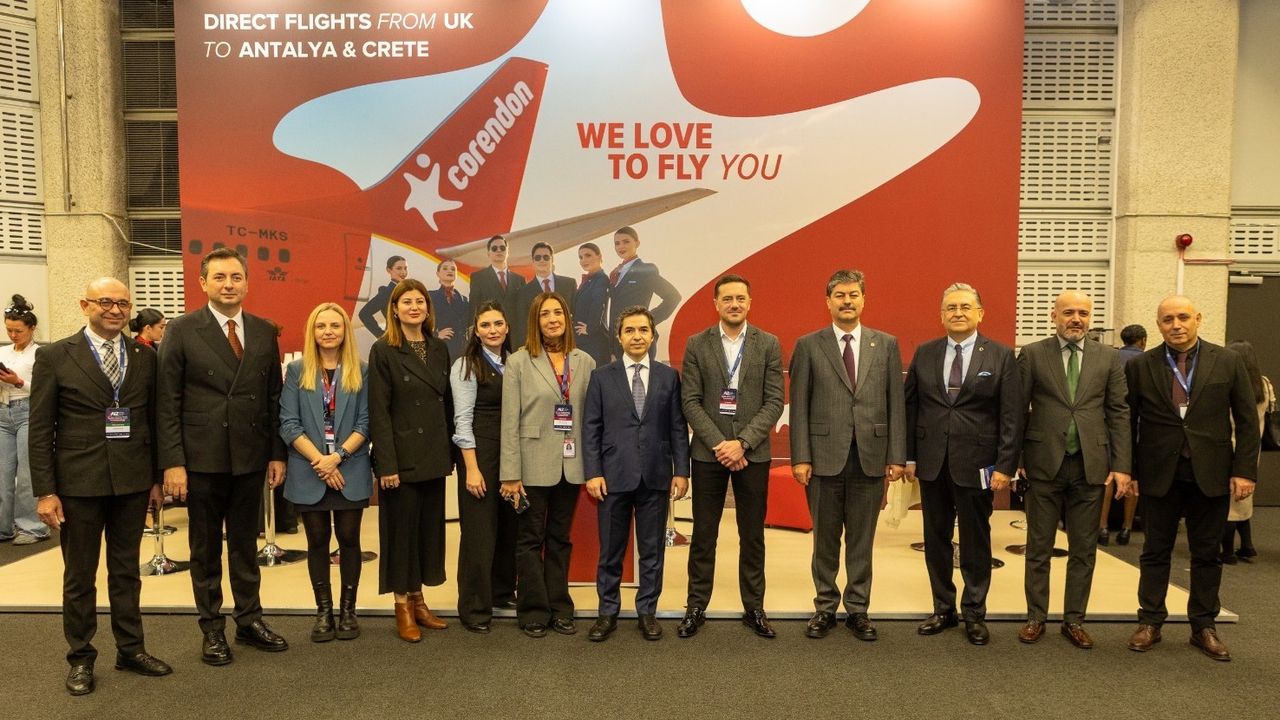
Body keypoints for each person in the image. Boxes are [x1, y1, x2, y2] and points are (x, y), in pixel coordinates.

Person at [28, 279, 171, 696]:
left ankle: (131, 649)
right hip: (78, 484)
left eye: (123, 303)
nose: (115, 310)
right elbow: (40, 429)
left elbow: (154, 421)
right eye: (105, 301)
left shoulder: (145, 356)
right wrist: (45, 491)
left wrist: (156, 479)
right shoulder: (55, 355)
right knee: (80, 576)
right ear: (84, 304)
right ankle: (81, 657)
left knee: (126, 572)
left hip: (132, 481)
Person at [158, 247, 289, 665]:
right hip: (201, 459)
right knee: (206, 548)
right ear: (203, 283)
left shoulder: (264, 330)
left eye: (235, 277)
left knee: (246, 547)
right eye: (219, 277)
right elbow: (167, 401)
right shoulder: (181, 329)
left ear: (247, 282)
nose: (228, 284)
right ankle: (212, 628)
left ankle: (249, 620)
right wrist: (173, 462)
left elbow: (273, 397)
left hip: (250, 456)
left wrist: (276, 453)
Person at [1125, 296, 1259, 661]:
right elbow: (1128, 422)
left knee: (1207, 554)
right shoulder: (1140, 366)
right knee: (1155, 552)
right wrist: (1131, 471)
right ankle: (1150, 621)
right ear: (1158, 325)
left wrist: (1244, 470)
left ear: (1198, 318)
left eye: (1183, 317)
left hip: (1212, 472)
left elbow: (1247, 421)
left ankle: (1203, 626)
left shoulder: (1227, 361)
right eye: (1167, 319)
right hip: (1158, 473)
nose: (1176, 325)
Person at [790, 270, 906, 641]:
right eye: (839, 295)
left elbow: (896, 402)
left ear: (863, 299)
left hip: (870, 458)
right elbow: (799, 406)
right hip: (823, 458)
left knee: (861, 540)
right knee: (825, 541)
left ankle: (858, 610)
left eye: (853, 294)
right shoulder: (809, 345)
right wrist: (800, 457)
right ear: (828, 302)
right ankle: (825, 607)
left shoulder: (885, 344)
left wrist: (897, 455)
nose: (847, 301)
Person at [905, 282, 1022, 646]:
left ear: (980, 314)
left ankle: (974, 613)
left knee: (975, 540)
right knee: (935, 538)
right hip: (932, 463)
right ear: (942, 315)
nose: (958, 313)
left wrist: (1006, 465)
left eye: (965, 307)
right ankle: (943, 609)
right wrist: (909, 456)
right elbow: (911, 407)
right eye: (951, 308)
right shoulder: (925, 353)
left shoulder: (1000, 355)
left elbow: (1012, 415)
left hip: (979, 463)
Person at [1016, 291, 1132, 649]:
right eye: (1068, 312)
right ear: (1054, 316)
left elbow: (1119, 412)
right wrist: (1015, 460)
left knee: (1084, 549)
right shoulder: (1033, 354)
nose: (1076, 319)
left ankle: (1074, 620)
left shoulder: (1108, 357)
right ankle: (1036, 617)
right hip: (1042, 463)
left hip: (1090, 465)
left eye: (1083, 312)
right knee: (1039, 547)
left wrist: (1122, 465)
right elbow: (1017, 410)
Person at [676, 275, 784, 639]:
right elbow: (690, 401)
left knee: (752, 535)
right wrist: (721, 444)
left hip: (753, 454)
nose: (734, 304)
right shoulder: (697, 343)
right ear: (716, 304)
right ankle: (695, 606)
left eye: (740, 298)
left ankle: (754, 608)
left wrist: (743, 443)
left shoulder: (768, 343)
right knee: (704, 535)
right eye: (727, 299)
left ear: (750, 302)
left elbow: (774, 401)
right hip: (709, 455)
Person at [583, 306, 690, 641]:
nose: (637, 336)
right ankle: (607, 613)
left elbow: (677, 427)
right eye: (629, 330)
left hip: (656, 476)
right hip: (612, 477)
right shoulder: (602, 377)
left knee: (652, 551)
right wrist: (593, 472)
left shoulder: (668, 377)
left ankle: (647, 612)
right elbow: (591, 428)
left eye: (643, 330)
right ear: (619, 337)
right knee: (610, 552)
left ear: (653, 335)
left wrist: (681, 471)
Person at [499, 291, 595, 638]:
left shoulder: (585, 361)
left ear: (567, 318)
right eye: (545, 314)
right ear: (535, 322)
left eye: (557, 313)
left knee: (559, 538)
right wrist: (510, 474)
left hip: (571, 464)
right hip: (531, 465)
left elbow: (591, 419)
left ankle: (560, 607)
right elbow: (509, 421)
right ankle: (533, 610)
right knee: (529, 539)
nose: (552, 319)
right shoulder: (519, 361)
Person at [279, 303, 372, 643]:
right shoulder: (297, 370)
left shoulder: (361, 370)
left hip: (350, 467)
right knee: (317, 541)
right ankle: (323, 611)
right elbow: (288, 423)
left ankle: (348, 611)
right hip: (310, 468)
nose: (328, 331)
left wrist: (338, 457)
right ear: (312, 332)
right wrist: (321, 460)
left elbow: (366, 422)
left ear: (345, 331)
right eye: (321, 326)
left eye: (335, 325)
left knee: (349, 539)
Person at [367, 279, 453, 642]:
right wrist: (386, 465)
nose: (414, 307)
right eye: (407, 302)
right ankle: (402, 605)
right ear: (395, 309)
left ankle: (419, 601)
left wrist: (449, 453)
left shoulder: (439, 348)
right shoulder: (383, 349)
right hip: (400, 461)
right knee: (401, 536)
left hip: (433, 455)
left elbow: (446, 404)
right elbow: (379, 411)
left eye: (420, 301)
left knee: (426, 533)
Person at [450, 301, 518, 633]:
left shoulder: (515, 362)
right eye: (486, 325)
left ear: (507, 328)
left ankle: (501, 593)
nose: (493, 330)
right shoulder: (466, 364)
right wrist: (472, 469)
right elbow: (462, 420)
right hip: (479, 455)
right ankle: (474, 608)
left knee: (508, 527)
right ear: (476, 332)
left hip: (511, 454)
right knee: (480, 531)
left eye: (498, 324)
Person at [1, 294, 48, 545]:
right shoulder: (3, 352)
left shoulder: (41, 353)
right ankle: (4, 526)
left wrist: (18, 381)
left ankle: (32, 527)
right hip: (3, 410)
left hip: (29, 411)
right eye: (9, 330)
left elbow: (44, 390)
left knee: (27, 473)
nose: (13, 335)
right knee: (3, 473)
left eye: (18, 330)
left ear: (31, 328)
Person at [1222, 340, 1268, 564]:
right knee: (1244, 496)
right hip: (1252, 446)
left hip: (1229, 445)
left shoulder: (1229, 383)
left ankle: (1227, 551)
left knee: (1229, 502)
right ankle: (1247, 545)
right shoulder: (1264, 384)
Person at [605, 226, 681, 359]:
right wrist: (611, 346)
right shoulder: (616, 273)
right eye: (617, 243)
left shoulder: (645, 270)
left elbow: (673, 297)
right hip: (618, 341)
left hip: (639, 340)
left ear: (637, 243)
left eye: (626, 241)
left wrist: (647, 321)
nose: (621, 246)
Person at [511, 242, 576, 348]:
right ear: (533, 262)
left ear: (552, 259)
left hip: (567, 344)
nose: (542, 260)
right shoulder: (523, 292)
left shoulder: (569, 284)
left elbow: (575, 315)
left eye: (546, 257)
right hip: (538, 347)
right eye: (538, 258)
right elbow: (522, 325)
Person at [572, 242, 611, 365]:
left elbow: (598, 304)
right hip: (584, 341)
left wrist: (590, 328)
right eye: (581, 257)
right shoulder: (589, 280)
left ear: (599, 257)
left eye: (588, 255)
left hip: (594, 342)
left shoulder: (601, 279)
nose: (583, 260)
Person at [469, 235, 526, 310]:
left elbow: (523, 309)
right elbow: (473, 309)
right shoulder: (478, 278)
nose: (499, 250)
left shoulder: (519, 280)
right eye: (494, 248)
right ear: (488, 254)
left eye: (502, 248)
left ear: (508, 252)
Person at [429, 259, 471, 360]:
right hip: (439, 348)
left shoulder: (464, 300)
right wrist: (436, 335)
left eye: (453, 269)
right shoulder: (430, 296)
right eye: (445, 268)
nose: (450, 271)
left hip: (461, 350)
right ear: (438, 274)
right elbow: (421, 322)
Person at [358, 255, 408, 337]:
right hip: (396, 339)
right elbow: (364, 314)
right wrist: (381, 335)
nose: (403, 272)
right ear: (389, 270)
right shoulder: (386, 293)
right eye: (399, 268)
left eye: (405, 268)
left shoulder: (410, 290)